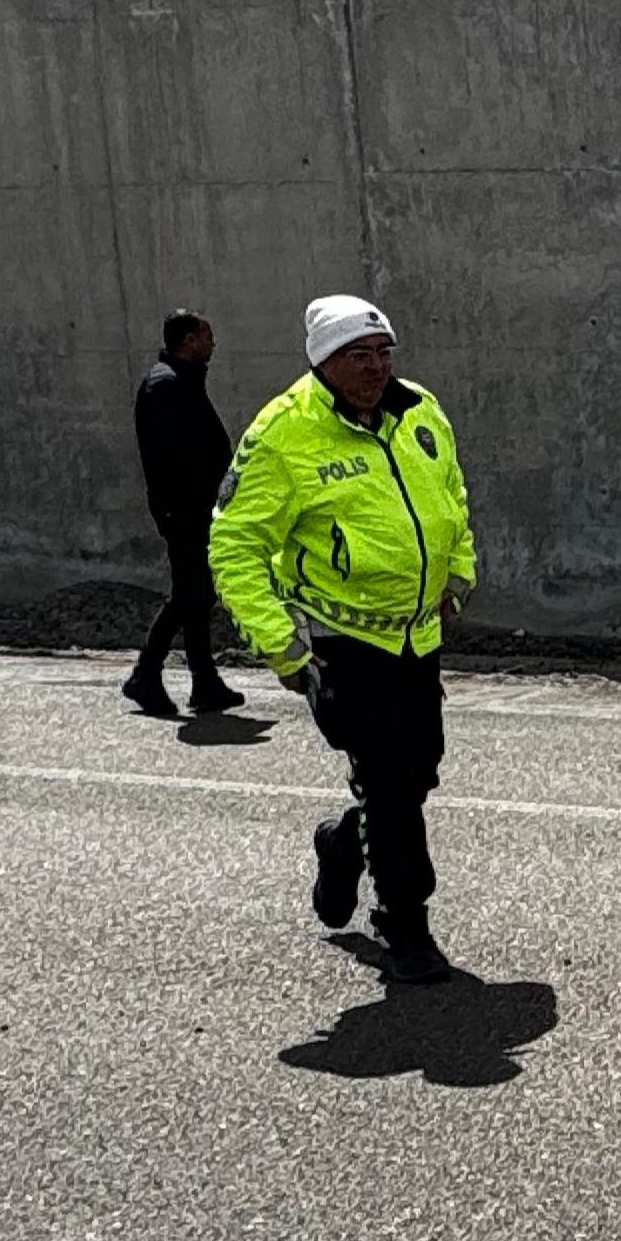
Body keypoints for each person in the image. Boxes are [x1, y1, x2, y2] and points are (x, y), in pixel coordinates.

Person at [207, 294, 478, 985]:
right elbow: (236, 544)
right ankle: (405, 923)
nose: (376, 367)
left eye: (384, 352)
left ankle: (343, 844)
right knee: (389, 783)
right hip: (342, 640)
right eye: (359, 355)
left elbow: (451, 496)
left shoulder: (420, 411)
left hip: (415, 637)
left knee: (417, 774)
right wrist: (281, 645)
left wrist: (458, 574)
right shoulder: (284, 433)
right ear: (323, 361)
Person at [124, 310, 242, 719]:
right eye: (207, 335)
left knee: (198, 594)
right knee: (189, 593)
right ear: (188, 340)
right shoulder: (166, 386)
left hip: (196, 507)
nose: (213, 343)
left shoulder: (181, 381)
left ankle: (204, 680)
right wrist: (188, 508)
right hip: (186, 510)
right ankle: (146, 673)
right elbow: (177, 458)